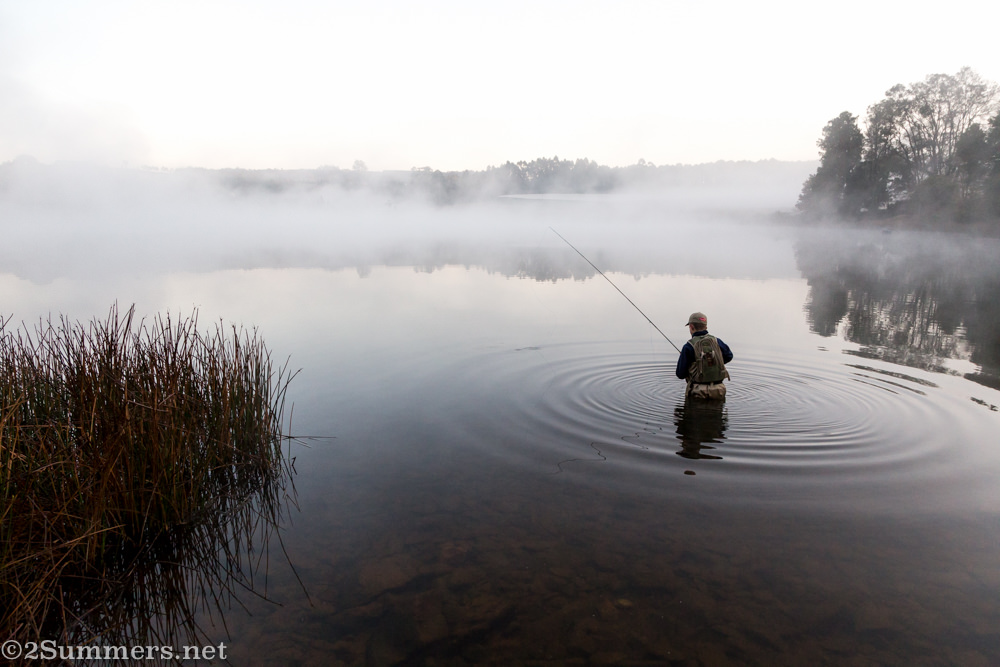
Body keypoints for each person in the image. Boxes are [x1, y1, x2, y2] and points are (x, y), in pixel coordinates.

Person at [675, 312, 733, 399]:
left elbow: (680, 374)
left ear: (691, 327)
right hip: (719, 390)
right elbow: (729, 356)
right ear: (706, 327)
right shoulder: (717, 341)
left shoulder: (688, 346)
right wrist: (713, 363)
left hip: (698, 392)